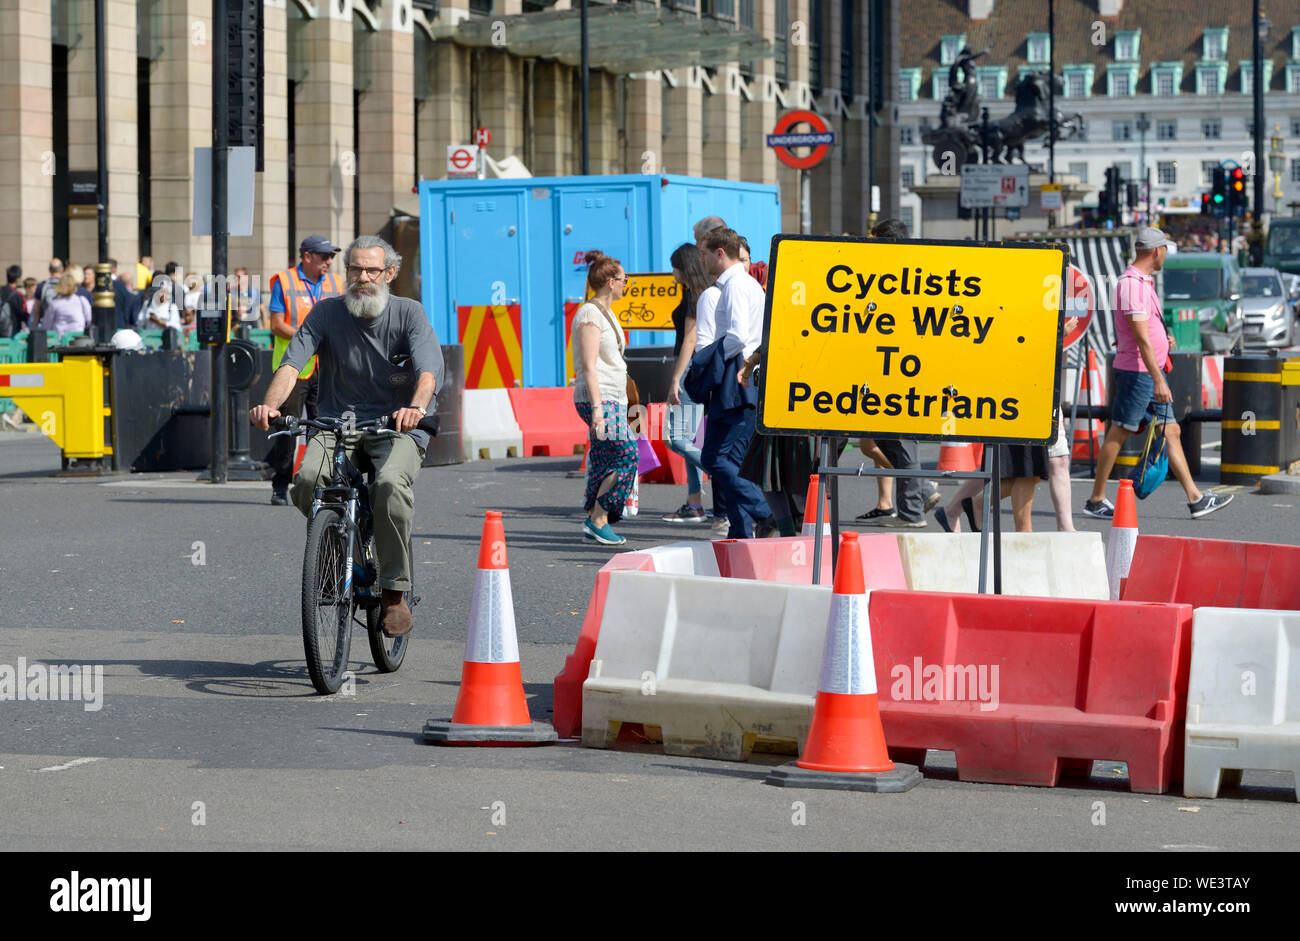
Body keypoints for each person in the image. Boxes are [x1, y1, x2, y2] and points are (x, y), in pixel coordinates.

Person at [249, 235, 442, 638]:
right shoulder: (325, 313)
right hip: (337, 424)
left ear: (389, 274)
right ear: (346, 272)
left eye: (373, 270)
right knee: (306, 484)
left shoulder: (408, 313)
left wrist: (416, 409)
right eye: (355, 269)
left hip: (397, 425)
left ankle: (393, 592)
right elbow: (291, 365)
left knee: (390, 486)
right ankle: (340, 552)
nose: (363, 277)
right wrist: (271, 406)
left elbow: (427, 373)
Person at [1083, 227, 1232, 519]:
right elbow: (1140, 339)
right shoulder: (1132, 286)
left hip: (1146, 371)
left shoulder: (1142, 282)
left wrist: (1165, 340)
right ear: (1156, 251)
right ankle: (1096, 498)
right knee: (1120, 431)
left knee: (1172, 431)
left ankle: (1195, 499)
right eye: (1165, 249)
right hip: (1139, 374)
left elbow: (1146, 331)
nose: (1165, 254)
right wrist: (1159, 379)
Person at [693, 227, 778, 539]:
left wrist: (713, 362)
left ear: (719, 253)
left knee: (715, 458)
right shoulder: (745, 284)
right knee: (730, 461)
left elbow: (739, 336)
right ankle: (743, 532)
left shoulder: (735, 285)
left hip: (736, 381)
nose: (699, 259)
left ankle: (763, 514)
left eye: (703, 253)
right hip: (743, 380)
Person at [265, 235, 345, 505]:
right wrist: (308, 338)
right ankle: (280, 484)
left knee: (323, 427)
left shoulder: (336, 283)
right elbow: (276, 325)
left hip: (327, 368)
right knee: (287, 428)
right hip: (294, 368)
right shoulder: (284, 281)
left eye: (331, 257)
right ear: (307, 256)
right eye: (324, 256)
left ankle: (315, 480)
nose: (329, 262)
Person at [572, 251, 638, 546]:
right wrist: (598, 410)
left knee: (601, 457)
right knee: (628, 454)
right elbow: (589, 365)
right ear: (611, 282)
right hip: (600, 400)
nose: (627, 284)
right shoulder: (589, 314)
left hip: (613, 398)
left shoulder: (605, 312)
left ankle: (591, 516)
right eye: (624, 279)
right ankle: (600, 516)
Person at [662, 242, 717, 525]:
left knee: (676, 438)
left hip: (688, 372)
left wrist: (675, 378)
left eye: (675, 267)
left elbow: (690, 339)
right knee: (687, 437)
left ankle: (724, 475)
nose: (673, 273)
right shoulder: (701, 292)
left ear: (685, 267)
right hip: (696, 372)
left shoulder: (696, 296)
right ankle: (694, 502)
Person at [37, 268, 92, 336]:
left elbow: (46, 325)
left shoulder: (55, 304)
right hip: (78, 339)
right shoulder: (82, 300)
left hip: (60, 341)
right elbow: (89, 320)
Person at [0, 266, 23, 338]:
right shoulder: (18, 295)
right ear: (18, 279)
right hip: (12, 330)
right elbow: (22, 314)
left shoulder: (1, 291)